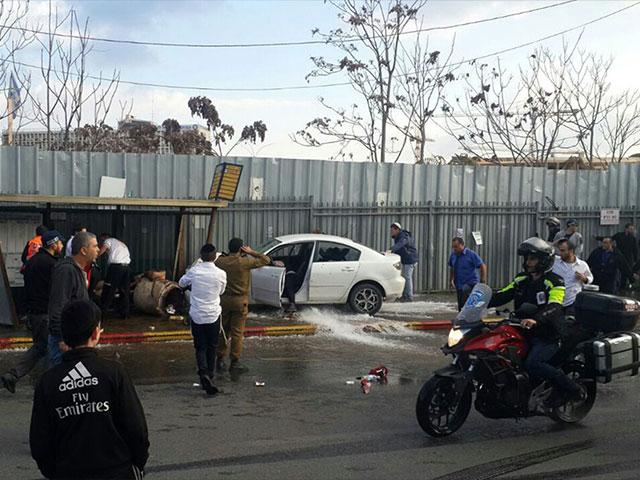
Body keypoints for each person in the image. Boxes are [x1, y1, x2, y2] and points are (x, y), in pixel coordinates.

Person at [30, 300, 149, 480]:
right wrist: (136, 464)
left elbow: (40, 441)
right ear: (95, 333)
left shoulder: (48, 381)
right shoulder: (113, 372)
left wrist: (55, 473)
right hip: (117, 471)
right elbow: (136, 428)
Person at [489, 237, 583, 407]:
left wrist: (536, 319)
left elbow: (555, 305)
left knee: (533, 364)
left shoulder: (555, 281)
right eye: (527, 258)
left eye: (532, 258)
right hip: (522, 329)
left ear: (543, 260)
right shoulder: (521, 279)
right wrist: (478, 299)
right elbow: (502, 295)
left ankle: (572, 390)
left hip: (548, 334)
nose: (528, 262)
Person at [1, 231, 64, 393]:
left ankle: (15, 375)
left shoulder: (32, 261)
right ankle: (48, 384)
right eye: (60, 243)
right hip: (46, 312)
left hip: (34, 312)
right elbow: (56, 290)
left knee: (42, 347)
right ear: (53, 244)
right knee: (50, 348)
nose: (62, 246)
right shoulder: (52, 264)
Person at [215, 238, 271, 373]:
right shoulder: (245, 262)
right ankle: (234, 362)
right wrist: (252, 252)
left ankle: (220, 359)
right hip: (240, 301)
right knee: (237, 333)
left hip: (223, 301)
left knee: (223, 331)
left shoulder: (221, 261)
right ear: (241, 249)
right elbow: (266, 260)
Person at [179, 244, 227, 395]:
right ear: (214, 257)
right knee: (212, 346)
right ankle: (210, 375)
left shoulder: (195, 271)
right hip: (213, 314)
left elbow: (181, 283)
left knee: (200, 347)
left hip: (197, 314)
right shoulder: (221, 273)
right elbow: (221, 291)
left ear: (201, 256)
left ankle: (203, 373)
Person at [48, 232, 100, 366]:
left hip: (74, 340)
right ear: (83, 250)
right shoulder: (66, 271)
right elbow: (58, 305)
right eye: (95, 246)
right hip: (65, 341)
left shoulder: (78, 270)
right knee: (60, 380)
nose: (98, 250)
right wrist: (61, 338)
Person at [552, 239, 593, 312]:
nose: (560, 253)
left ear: (571, 251)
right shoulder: (554, 261)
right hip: (556, 301)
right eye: (559, 250)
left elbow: (590, 277)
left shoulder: (582, 265)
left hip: (572, 302)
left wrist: (585, 279)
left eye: (563, 251)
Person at [448, 237, 487, 311]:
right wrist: (451, 280)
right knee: (461, 305)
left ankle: (470, 317)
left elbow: (483, 266)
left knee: (465, 295)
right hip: (459, 284)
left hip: (471, 283)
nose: (454, 249)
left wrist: (483, 281)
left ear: (462, 245)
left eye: (456, 246)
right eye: (453, 247)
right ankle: (462, 319)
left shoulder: (471, 254)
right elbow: (452, 268)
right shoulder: (453, 255)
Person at [99, 234, 132, 319]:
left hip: (116, 268)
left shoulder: (108, 241)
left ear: (105, 238)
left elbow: (103, 249)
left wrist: (94, 256)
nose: (102, 243)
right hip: (127, 268)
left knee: (108, 290)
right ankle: (125, 314)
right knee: (124, 291)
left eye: (101, 240)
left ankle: (102, 313)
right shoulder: (121, 243)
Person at [390, 222, 419, 302]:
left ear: (397, 230)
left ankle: (409, 297)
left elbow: (401, 244)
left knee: (407, 277)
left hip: (410, 259)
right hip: (406, 259)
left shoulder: (404, 236)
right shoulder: (398, 237)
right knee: (405, 277)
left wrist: (392, 249)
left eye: (392, 231)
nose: (391, 232)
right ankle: (405, 295)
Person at [612, 223, 638, 290]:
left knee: (626, 272)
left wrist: (635, 260)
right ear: (626, 229)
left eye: (633, 229)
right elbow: (611, 238)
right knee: (617, 271)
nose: (632, 230)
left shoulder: (632, 238)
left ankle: (624, 287)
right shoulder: (619, 235)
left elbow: (635, 250)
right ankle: (619, 285)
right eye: (630, 229)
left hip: (628, 258)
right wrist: (598, 238)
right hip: (619, 256)